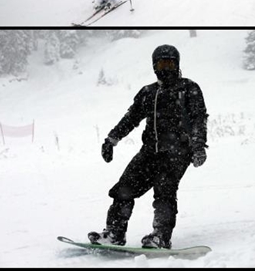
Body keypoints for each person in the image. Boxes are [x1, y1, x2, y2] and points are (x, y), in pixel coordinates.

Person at [89, 45, 208, 250]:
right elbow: (131, 118)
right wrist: (111, 139)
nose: (166, 68)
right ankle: (114, 233)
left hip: (178, 152)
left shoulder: (189, 88)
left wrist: (198, 146)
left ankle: (161, 236)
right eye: (162, 64)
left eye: (170, 63)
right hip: (149, 152)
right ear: (154, 66)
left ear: (178, 65)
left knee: (164, 190)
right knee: (123, 189)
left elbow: (199, 118)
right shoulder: (148, 92)